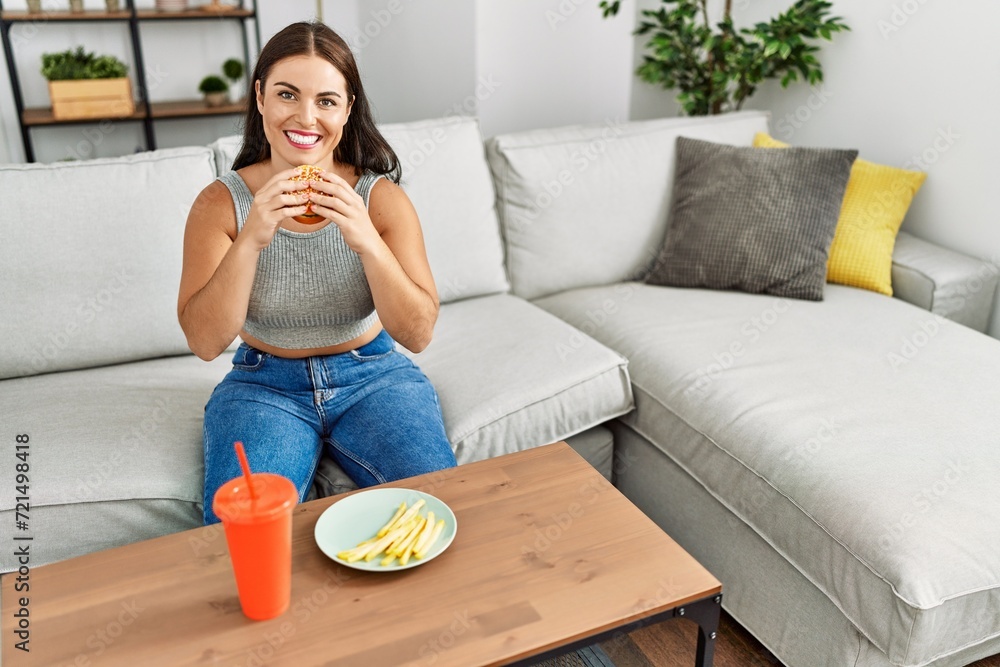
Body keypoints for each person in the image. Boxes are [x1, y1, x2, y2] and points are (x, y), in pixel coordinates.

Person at [177, 21, 457, 525]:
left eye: (327, 100)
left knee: (438, 510)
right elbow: (204, 341)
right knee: (240, 533)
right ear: (260, 97)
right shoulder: (220, 204)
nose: (306, 117)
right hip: (265, 386)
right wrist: (253, 236)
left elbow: (418, 333)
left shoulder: (381, 199)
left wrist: (366, 238)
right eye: (287, 94)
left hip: (374, 374)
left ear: (347, 111)